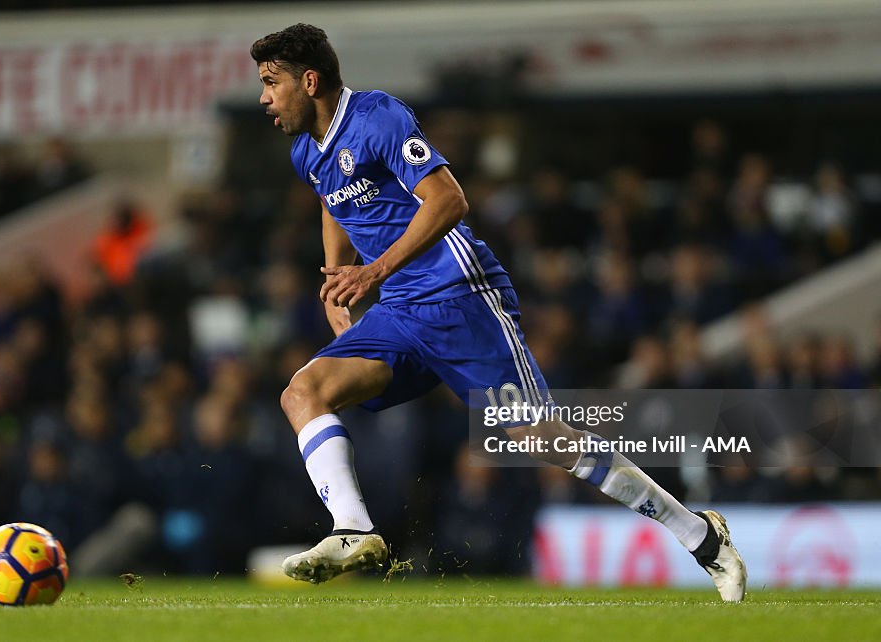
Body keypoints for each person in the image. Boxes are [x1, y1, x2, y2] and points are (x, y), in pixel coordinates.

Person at [251, 24, 746, 601]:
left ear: (309, 81)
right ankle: (353, 529)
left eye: (271, 82)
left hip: (458, 294)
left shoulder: (378, 117)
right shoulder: (305, 151)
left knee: (538, 437)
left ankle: (700, 535)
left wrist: (372, 271)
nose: (264, 96)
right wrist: (338, 277)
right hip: (401, 311)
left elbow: (449, 200)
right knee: (302, 393)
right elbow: (331, 198)